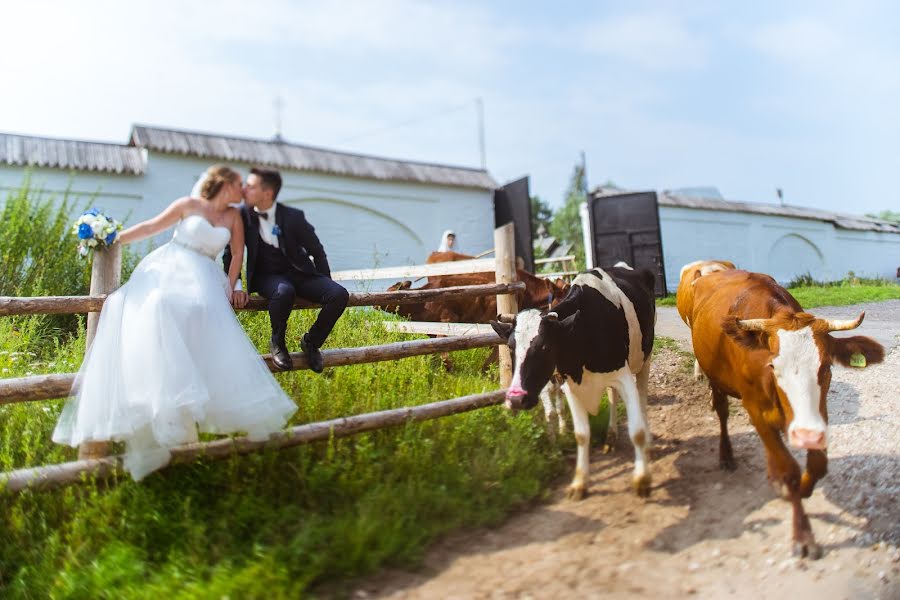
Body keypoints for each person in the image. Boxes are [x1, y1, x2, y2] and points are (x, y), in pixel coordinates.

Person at [52, 165, 297, 480]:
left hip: (206, 275)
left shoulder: (235, 216)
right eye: (239, 184)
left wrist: (231, 286)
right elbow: (150, 227)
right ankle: (156, 393)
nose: (243, 190)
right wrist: (111, 240)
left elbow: (237, 254)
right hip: (171, 264)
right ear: (225, 183)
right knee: (158, 305)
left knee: (199, 312)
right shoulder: (188, 205)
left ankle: (185, 397)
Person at [226, 167, 348, 374]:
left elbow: (317, 251)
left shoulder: (294, 216)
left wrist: (326, 282)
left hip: (300, 273)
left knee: (339, 294)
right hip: (267, 277)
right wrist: (236, 286)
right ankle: (278, 343)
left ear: (267, 193)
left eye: (251, 186)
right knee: (284, 291)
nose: (245, 189)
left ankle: (311, 342)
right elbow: (230, 255)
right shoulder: (241, 216)